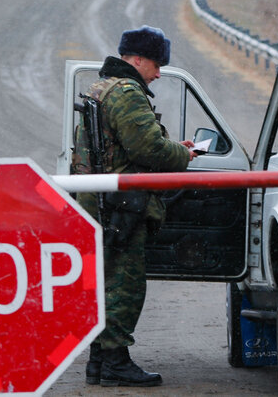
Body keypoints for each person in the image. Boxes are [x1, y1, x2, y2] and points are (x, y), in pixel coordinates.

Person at [72, 25, 196, 387]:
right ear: (137, 60)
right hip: (121, 204)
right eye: (155, 65)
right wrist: (184, 154)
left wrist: (172, 146)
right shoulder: (126, 92)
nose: (158, 74)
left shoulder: (102, 87)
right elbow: (149, 151)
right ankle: (114, 362)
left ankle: (99, 361)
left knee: (107, 282)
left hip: (104, 200)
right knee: (125, 285)